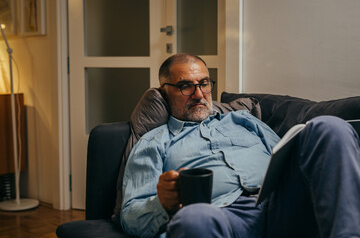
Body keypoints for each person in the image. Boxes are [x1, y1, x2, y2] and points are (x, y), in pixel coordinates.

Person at [119, 53, 360, 238]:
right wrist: (161, 203)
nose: (199, 94)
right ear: (164, 92)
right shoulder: (153, 142)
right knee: (194, 218)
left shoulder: (243, 120)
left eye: (204, 83)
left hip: (280, 205)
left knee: (329, 126)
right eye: (186, 86)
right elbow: (130, 216)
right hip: (224, 217)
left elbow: (283, 156)